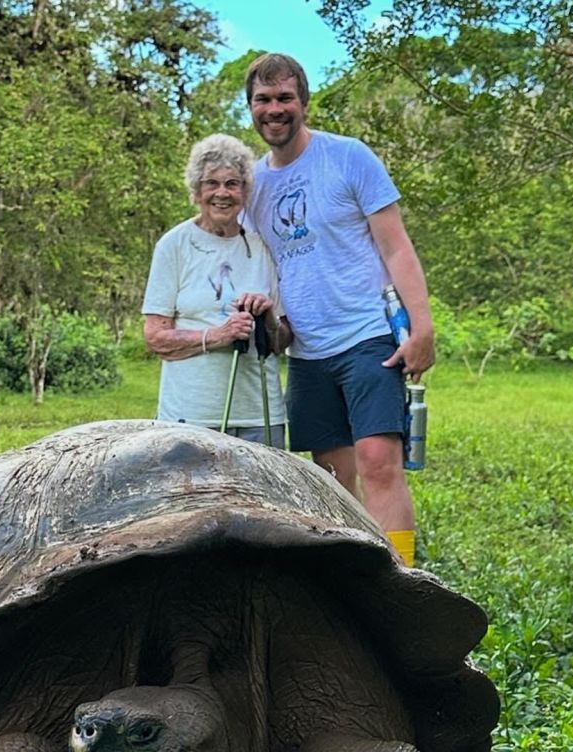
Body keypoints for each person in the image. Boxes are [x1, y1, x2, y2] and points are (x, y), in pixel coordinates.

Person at [243, 53, 435, 567]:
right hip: (305, 348)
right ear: (251, 109)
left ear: (303, 102)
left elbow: (396, 246)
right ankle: (356, 574)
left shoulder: (349, 158)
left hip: (368, 333)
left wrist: (422, 326)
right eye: (264, 100)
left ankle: (403, 578)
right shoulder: (252, 187)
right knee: (330, 476)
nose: (275, 109)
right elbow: (256, 268)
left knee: (378, 463)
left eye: (285, 98)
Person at [142, 133, 292, 445]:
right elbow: (156, 337)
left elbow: (282, 342)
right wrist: (218, 336)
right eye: (212, 183)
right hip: (189, 415)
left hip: (259, 415)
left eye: (232, 183)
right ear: (196, 191)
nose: (222, 193)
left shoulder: (263, 246)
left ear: (245, 192)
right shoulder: (175, 245)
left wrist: (266, 319)